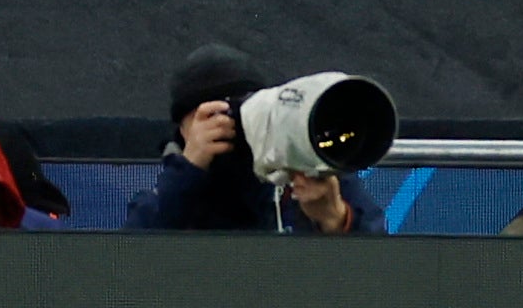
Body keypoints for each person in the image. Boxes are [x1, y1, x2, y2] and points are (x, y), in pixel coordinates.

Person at [129, 44, 381, 234]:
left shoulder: (303, 166)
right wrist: (189, 169)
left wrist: (336, 219)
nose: (235, 123)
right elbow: (123, 266)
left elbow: (383, 269)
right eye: (213, 114)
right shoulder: (172, 190)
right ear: (184, 129)